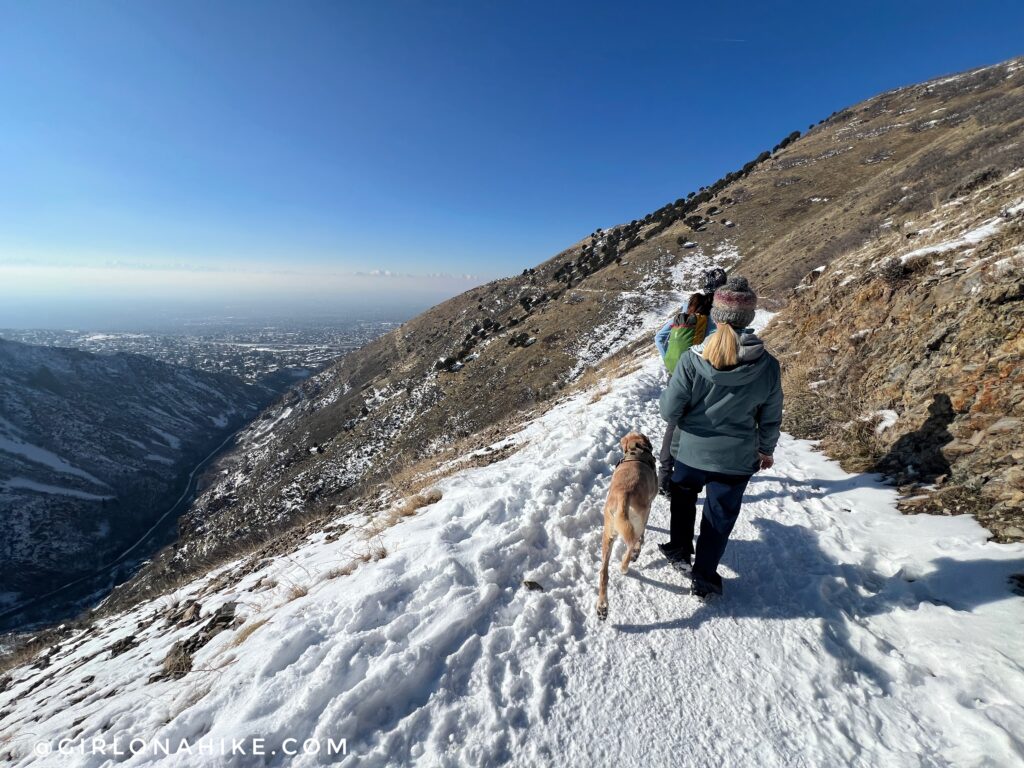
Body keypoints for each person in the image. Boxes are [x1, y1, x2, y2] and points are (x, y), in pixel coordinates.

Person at [657, 276, 783, 598]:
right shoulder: (768, 366)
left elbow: (669, 412)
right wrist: (765, 450)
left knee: (683, 502)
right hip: (737, 459)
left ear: (716, 316)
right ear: (749, 319)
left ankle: (679, 550)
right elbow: (770, 417)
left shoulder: (691, 360)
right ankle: (705, 576)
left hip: (689, 453)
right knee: (721, 516)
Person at [652, 268, 727, 494]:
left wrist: (670, 361)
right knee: (700, 423)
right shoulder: (720, 313)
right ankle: (695, 473)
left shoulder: (690, 308)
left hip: (678, 373)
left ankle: (663, 479)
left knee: (673, 423)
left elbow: (659, 337)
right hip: (705, 374)